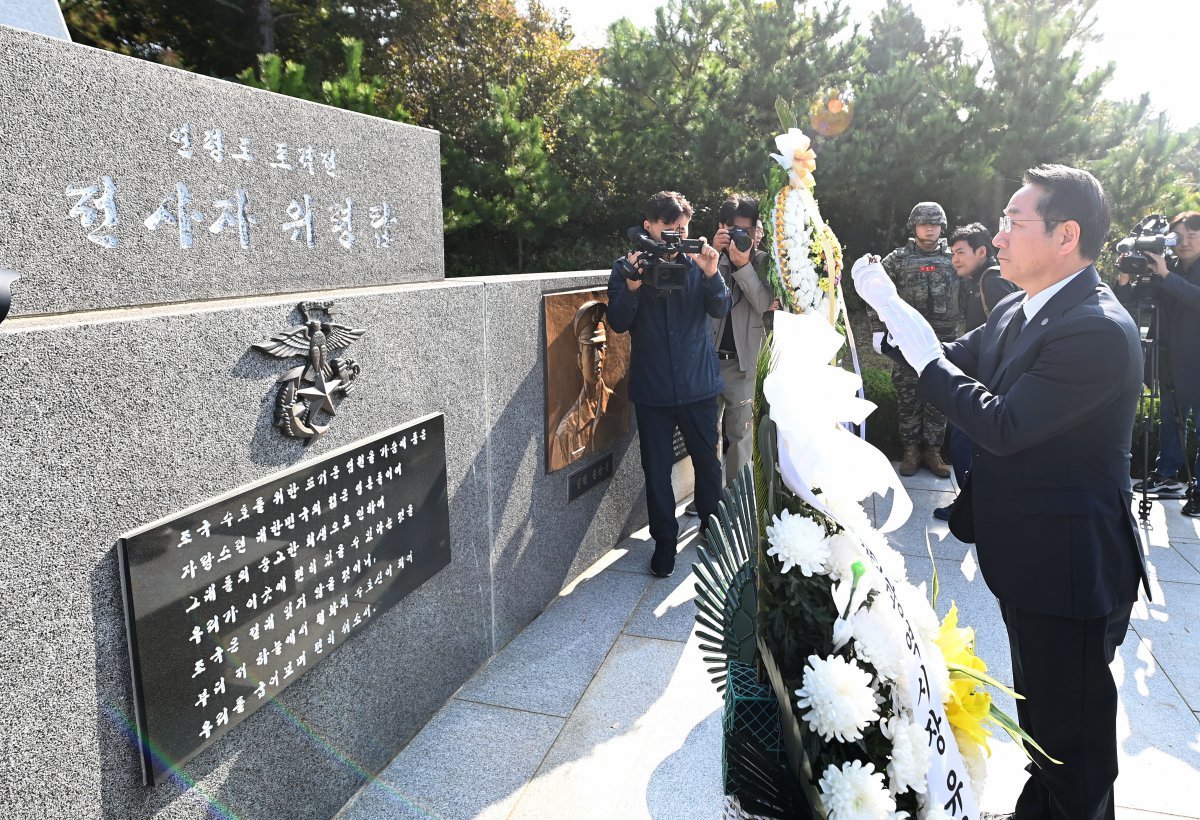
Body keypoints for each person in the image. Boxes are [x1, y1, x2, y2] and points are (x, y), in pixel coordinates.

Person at [854, 164, 1149, 820]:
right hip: (1029, 560)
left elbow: (1005, 424)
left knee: (1074, 748)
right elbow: (961, 355)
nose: (1000, 238)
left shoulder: (1097, 328)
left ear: (1065, 235)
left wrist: (926, 360)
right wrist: (893, 325)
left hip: (1070, 568)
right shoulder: (1022, 304)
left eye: (1016, 222)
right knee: (1043, 725)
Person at [607, 191, 728, 578]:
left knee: (708, 463)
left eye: (683, 228)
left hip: (698, 384)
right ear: (649, 227)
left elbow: (720, 308)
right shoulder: (628, 268)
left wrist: (712, 273)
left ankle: (713, 526)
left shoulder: (699, 263)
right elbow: (619, 322)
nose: (676, 235)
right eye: (667, 228)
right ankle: (664, 542)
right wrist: (631, 286)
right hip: (653, 388)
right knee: (655, 470)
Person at [934, 223, 1021, 520]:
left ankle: (970, 505)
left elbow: (1006, 334)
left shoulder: (992, 281)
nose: (955, 258)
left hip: (988, 380)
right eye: (952, 253)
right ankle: (972, 502)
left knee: (962, 438)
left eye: (961, 252)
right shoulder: (982, 280)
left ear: (981, 252)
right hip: (984, 375)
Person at [1115, 211, 1200, 514]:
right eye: (1180, 236)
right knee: (1172, 420)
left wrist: (1165, 275)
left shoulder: (1169, 271)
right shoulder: (1168, 266)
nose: (1186, 242)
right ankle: (1167, 476)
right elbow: (1129, 300)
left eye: (1193, 235)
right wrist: (1126, 275)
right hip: (1172, 359)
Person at [872, 201, 957, 477]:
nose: (929, 229)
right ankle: (910, 450)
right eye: (924, 223)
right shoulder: (897, 259)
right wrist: (878, 330)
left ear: (942, 226)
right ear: (914, 226)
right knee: (908, 395)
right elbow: (874, 293)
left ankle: (933, 451)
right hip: (906, 342)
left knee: (939, 396)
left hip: (943, 341)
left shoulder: (953, 257)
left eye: (934, 224)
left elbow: (971, 291)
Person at [709, 194, 775, 486]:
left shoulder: (765, 263)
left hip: (743, 364)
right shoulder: (708, 256)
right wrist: (716, 254)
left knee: (740, 437)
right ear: (723, 227)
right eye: (736, 230)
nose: (743, 237)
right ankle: (707, 498)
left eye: (749, 232)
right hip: (707, 362)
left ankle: (736, 502)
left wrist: (743, 266)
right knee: (705, 435)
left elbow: (763, 303)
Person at [548, 300, 616, 472]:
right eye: (590, 349)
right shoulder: (565, 434)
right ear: (579, 360)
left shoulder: (617, 405)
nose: (598, 358)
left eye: (601, 347)